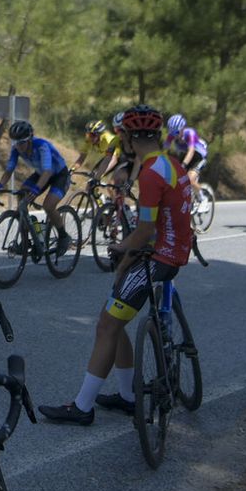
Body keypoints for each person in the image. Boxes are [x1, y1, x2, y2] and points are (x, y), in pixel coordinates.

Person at [39, 104, 194, 425]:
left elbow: (145, 230)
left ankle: (82, 407)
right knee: (115, 320)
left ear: (128, 138)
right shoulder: (172, 164)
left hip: (159, 257)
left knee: (106, 325)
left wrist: (121, 249)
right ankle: (127, 396)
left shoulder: (151, 174)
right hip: (174, 251)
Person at [0, 119, 72, 250]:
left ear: (29, 139)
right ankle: (26, 240)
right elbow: (9, 170)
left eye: (21, 142)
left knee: (48, 206)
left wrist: (36, 189)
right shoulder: (16, 149)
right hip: (41, 173)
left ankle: (63, 236)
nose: (18, 146)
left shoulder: (42, 146)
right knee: (22, 197)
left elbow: (48, 171)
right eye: (15, 142)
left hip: (59, 175)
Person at [165, 114, 209, 192]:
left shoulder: (190, 133)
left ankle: (202, 196)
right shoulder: (171, 136)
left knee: (190, 180)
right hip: (186, 155)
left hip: (199, 155)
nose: (174, 135)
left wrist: (183, 165)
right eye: (171, 132)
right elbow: (164, 151)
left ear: (183, 129)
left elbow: (191, 151)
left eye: (176, 132)